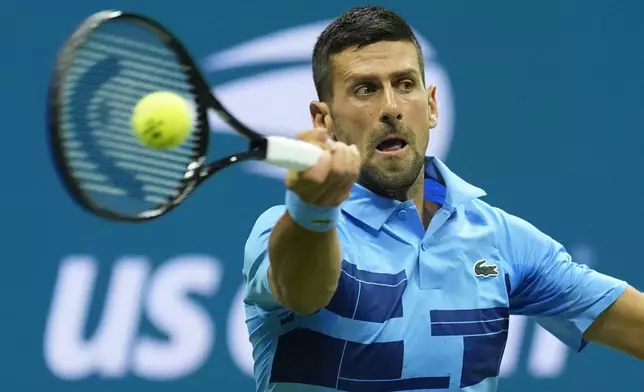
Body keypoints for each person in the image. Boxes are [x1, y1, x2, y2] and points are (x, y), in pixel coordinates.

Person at [242, 5, 644, 391]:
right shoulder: (289, 230)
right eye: (365, 89)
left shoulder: (502, 240)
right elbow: (301, 291)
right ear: (323, 120)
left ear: (431, 105)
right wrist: (313, 210)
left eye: (404, 84)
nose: (391, 108)